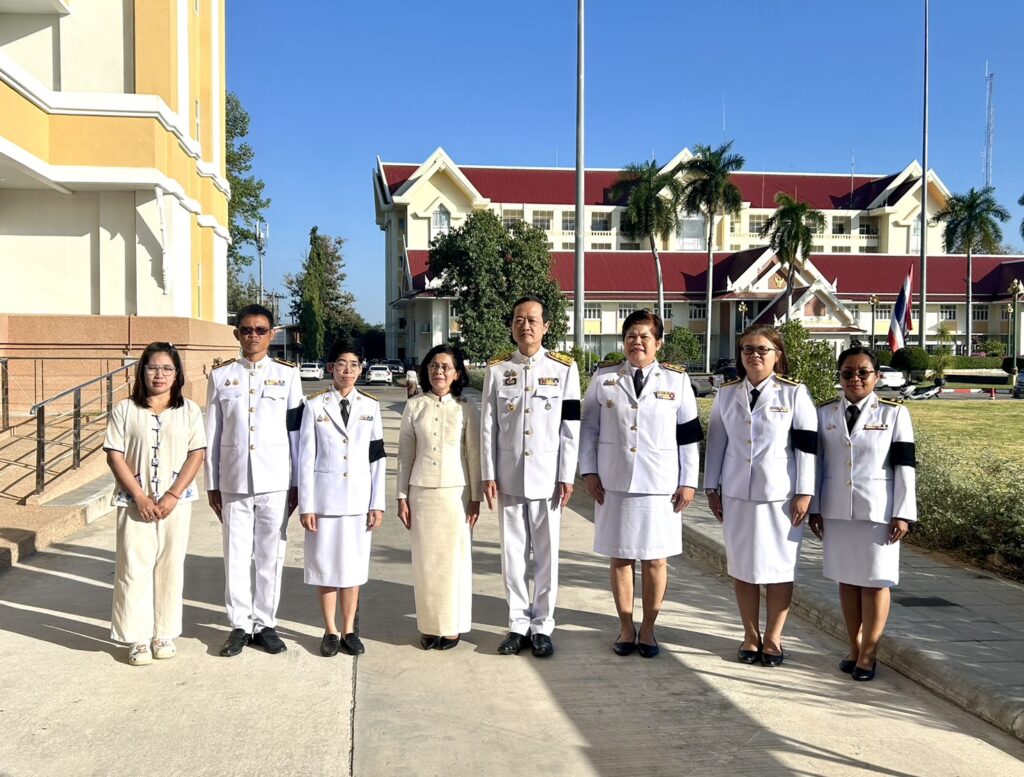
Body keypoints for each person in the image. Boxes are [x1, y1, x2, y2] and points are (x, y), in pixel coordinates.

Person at [580, 310, 702, 658]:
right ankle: (624, 627)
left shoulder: (676, 381)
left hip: (659, 485)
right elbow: (588, 429)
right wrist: (589, 471)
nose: (637, 342)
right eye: (631, 335)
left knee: (655, 561)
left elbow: (689, 436)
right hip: (613, 482)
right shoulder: (604, 379)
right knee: (620, 558)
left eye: (645, 336)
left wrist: (688, 481)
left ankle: (648, 628)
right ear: (624, 341)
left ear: (658, 343)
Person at [703, 324, 817, 667]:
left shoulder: (794, 394)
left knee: (780, 568)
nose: (754, 355)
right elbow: (717, 444)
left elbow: (808, 448)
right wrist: (711, 487)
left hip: (781, 496)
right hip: (737, 492)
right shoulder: (726, 394)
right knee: (743, 567)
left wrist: (805, 492)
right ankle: (750, 636)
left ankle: (774, 638)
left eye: (762, 350)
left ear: (777, 356)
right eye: (747, 349)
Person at [480, 295, 581, 658]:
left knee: (547, 554)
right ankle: (517, 623)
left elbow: (571, 427)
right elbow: (488, 425)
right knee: (512, 553)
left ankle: (542, 625)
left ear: (546, 326)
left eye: (533, 320)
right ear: (511, 325)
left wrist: (567, 475)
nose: (526, 325)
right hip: (509, 475)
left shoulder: (564, 369)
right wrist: (488, 472)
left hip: (548, 477)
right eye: (519, 319)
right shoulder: (496, 371)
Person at [809, 346, 916, 682]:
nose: (855, 378)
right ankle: (853, 647)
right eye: (847, 373)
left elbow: (905, 466)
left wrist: (903, 512)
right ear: (839, 377)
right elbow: (817, 464)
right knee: (847, 580)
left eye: (863, 372)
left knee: (875, 583)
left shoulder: (894, 414)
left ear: (876, 376)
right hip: (837, 509)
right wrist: (815, 507)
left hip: (878, 512)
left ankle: (868, 654)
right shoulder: (824, 413)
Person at [205, 304, 303, 657]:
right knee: (235, 554)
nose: (253, 336)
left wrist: (298, 483)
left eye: (260, 330)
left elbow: (297, 434)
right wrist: (212, 482)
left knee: (270, 554)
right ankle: (239, 624)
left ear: (272, 334)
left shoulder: (288, 375)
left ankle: (265, 623)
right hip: (233, 479)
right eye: (246, 330)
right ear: (236, 334)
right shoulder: (220, 376)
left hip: (276, 478)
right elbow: (212, 433)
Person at [103, 342, 205, 665]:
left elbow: (196, 454)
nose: (159, 375)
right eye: (152, 368)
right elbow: (114, 455)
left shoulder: (188, 410)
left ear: (177, 374)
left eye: (167, 369)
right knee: (133, 568)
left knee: (170, 566)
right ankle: (137, 638)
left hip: (176, 504)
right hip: (135, 504)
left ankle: (163, 633)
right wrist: (140, 496)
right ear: (142, 371)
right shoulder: (124, 410)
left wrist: (173, 494)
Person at [298, 343, 385, 657]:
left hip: (358, 501)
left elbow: (377, 458)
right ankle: (330, 630)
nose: (347, 370)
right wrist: (307, 504)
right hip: (325, 501)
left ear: (361, 369)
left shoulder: (370, 406)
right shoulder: (315, 405)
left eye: (353, 364)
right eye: (341, 364)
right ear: (330, 368)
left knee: (353, 567)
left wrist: (377, 502)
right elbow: (305, 458)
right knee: (325, 566)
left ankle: (349, 629)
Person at [396, 345, 481, 650]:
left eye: (446, 367)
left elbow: (473, 454)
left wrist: (476, 497)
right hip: (421, 493)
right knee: (426, 564)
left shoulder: (466, 407)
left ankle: (453, 626)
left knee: (454, 563)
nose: (439, 372)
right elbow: (405, 454)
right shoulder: (415, 405)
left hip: (455, 495)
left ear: (457, 373)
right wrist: (401, 496)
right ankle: (430, 627)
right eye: (434, 365)